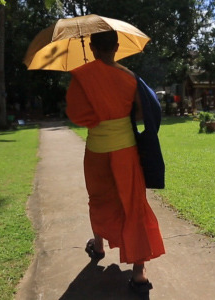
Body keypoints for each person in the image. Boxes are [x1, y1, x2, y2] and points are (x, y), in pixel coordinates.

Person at [65, 30, 165, 296]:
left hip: (97, 149)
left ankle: (98, 246)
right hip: (125, 150)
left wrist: (97, 111)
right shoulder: (130, 77)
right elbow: (145, 111)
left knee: (99, 198)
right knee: (133, 204)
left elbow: (76, 113)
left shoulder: (82, 75)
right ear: (118, 47)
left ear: (92, 47)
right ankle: (139, 273)